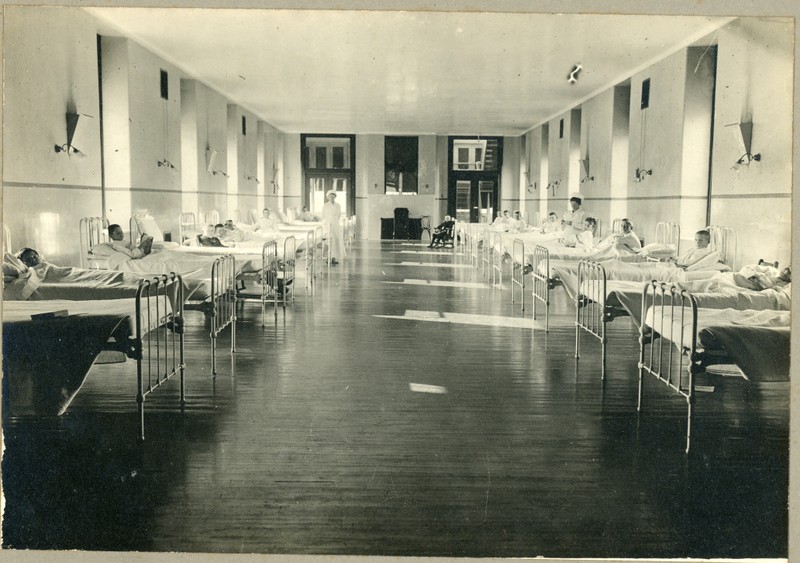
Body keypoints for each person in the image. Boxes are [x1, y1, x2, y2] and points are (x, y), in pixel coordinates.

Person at [321, 190, 345, 265]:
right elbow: (323, 216)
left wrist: (335, 222)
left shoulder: (338, 205)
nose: (332, 197)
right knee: (329, 241)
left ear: (335, 197)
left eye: (333, 196)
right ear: (328, 197)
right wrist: (327, 223)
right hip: (328, 224)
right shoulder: (325, 205)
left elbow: (338, 215)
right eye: (330, 196)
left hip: (335, 224)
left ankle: (334, 257)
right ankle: (328, 257)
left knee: (336, 241)